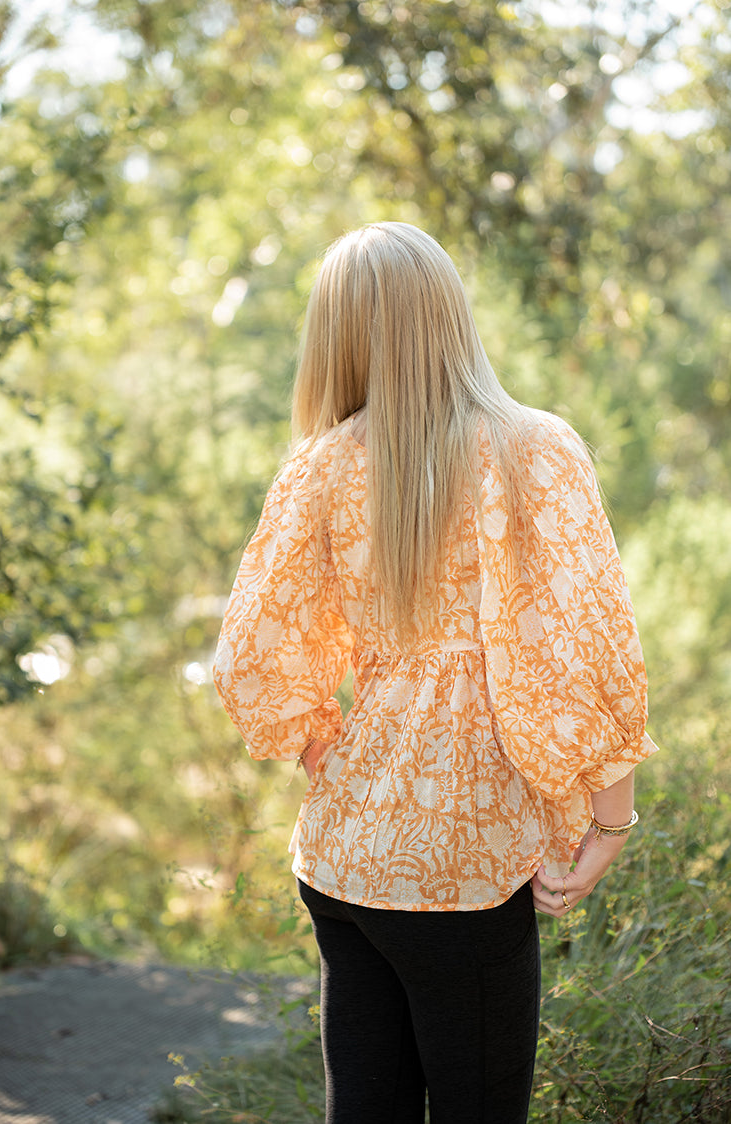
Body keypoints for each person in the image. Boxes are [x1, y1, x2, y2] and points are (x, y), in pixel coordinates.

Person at [213, 222, 659, 1123]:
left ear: (337, 332)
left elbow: (253, 650)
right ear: (450, 314)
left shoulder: (324, 463)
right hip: (466, 858)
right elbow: (583, 651)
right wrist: (608, 825)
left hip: (344, 855)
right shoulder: (536, 448)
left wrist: (325, 756)